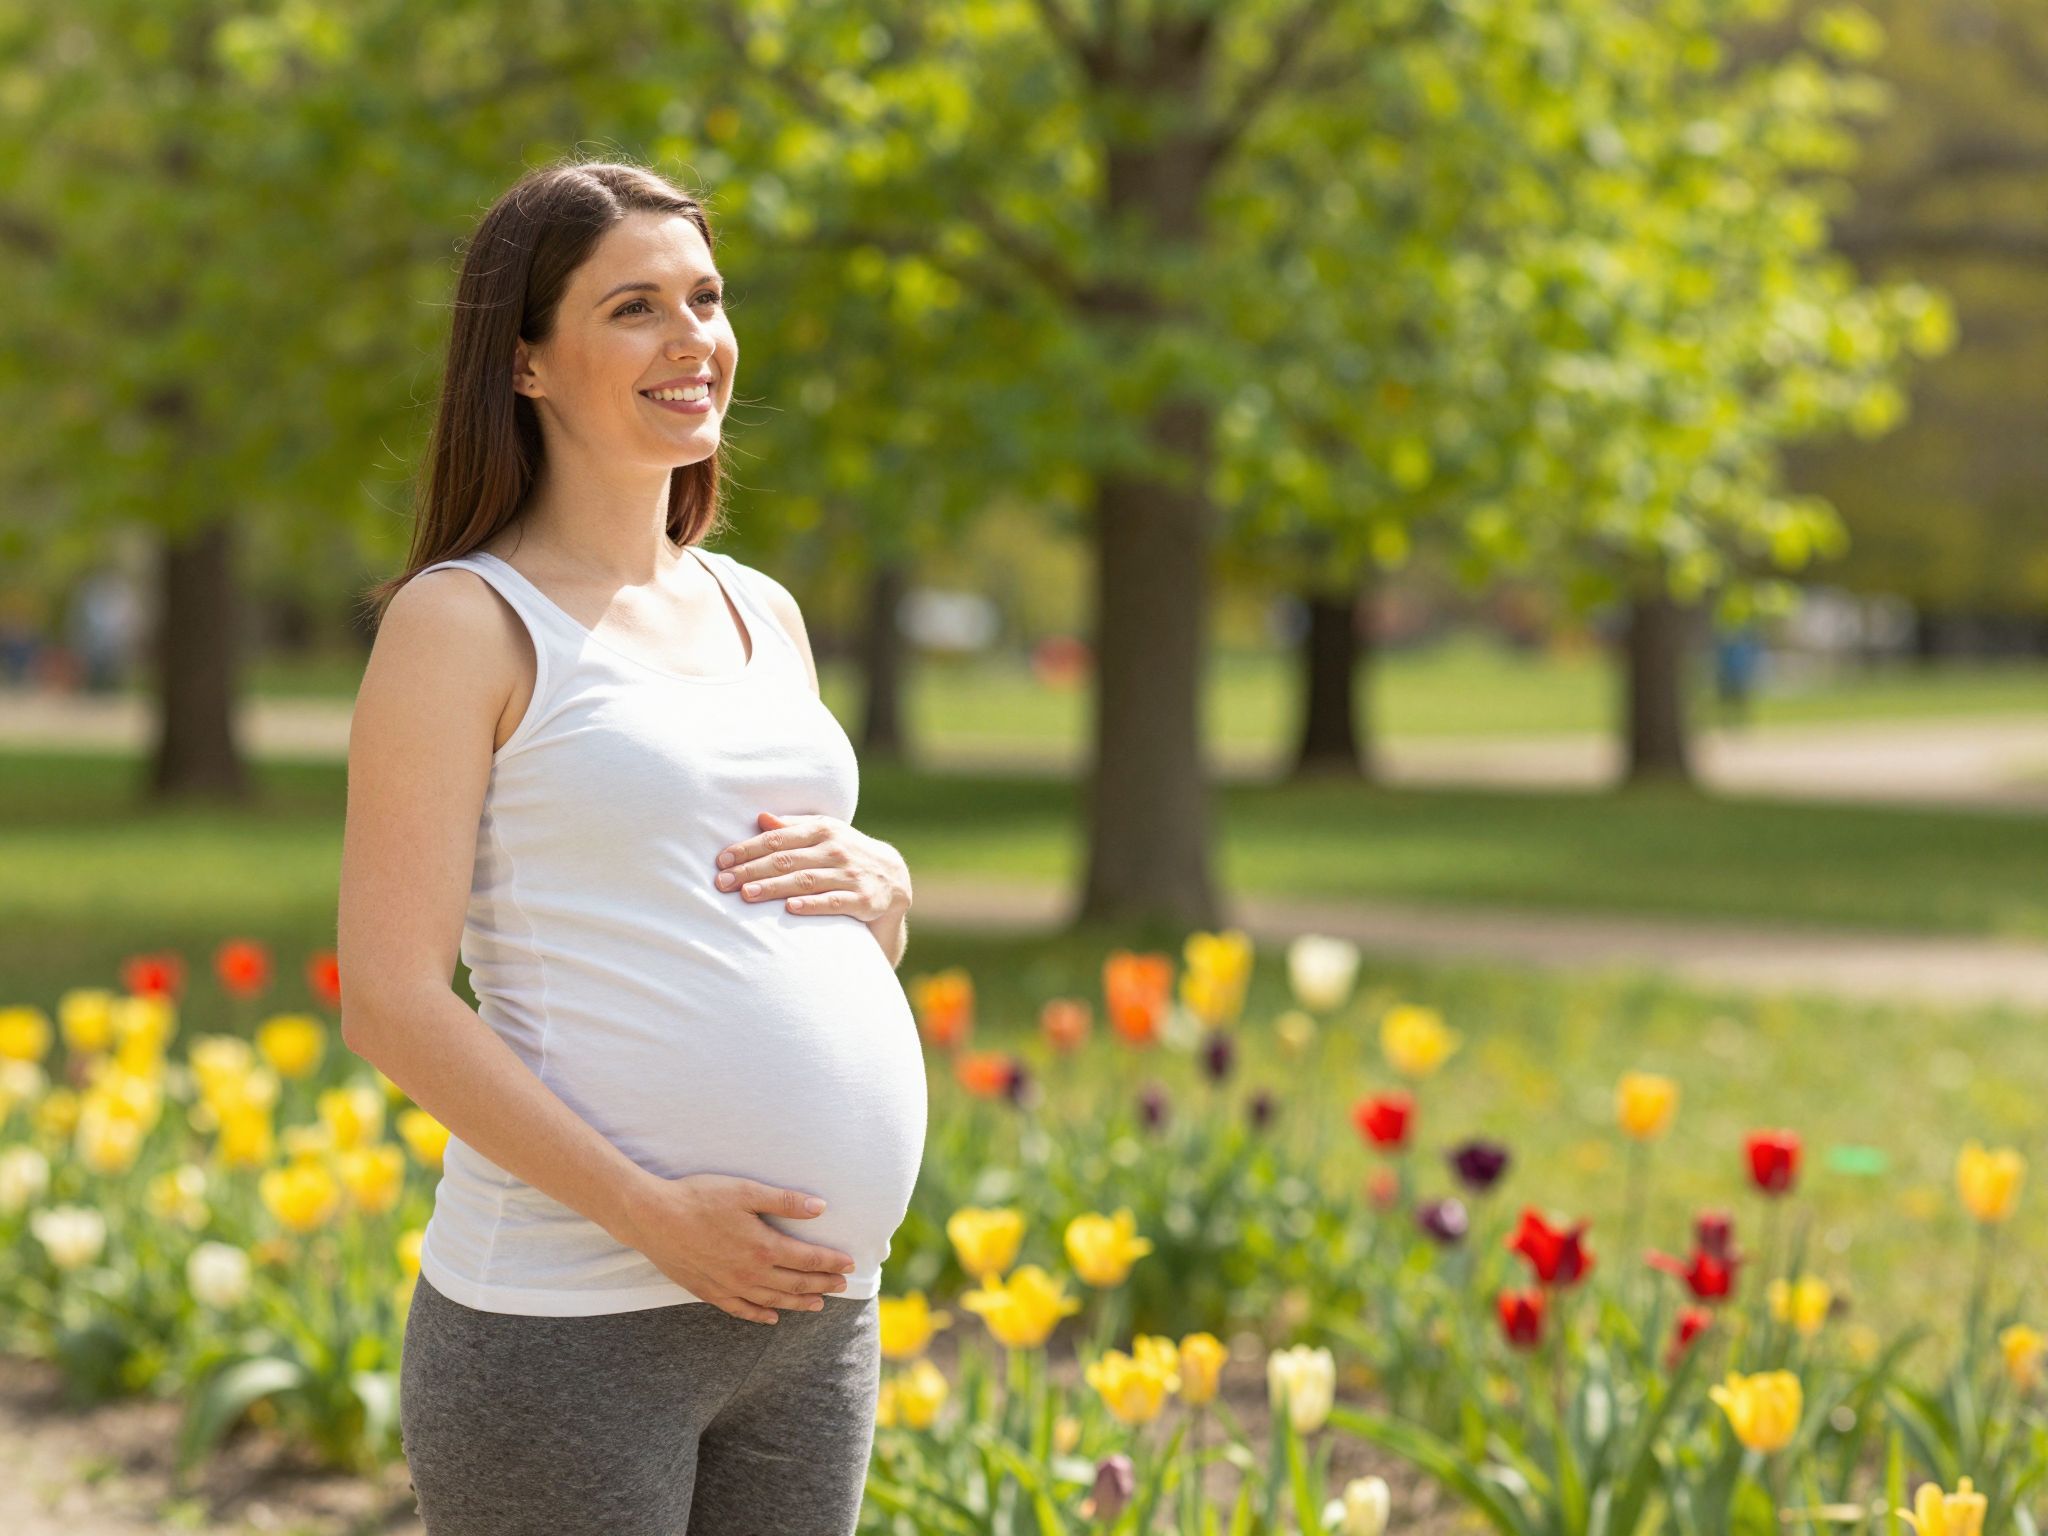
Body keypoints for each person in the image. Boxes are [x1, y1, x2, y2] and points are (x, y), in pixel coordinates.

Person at [337, 158, 927, 1535]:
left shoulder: (761, 610)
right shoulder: (462, 625)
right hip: (573, 1318)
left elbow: (754, 902)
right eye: (635, 308)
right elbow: (391, 999)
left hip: (810, 1320)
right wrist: (649, 1212)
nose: (693, 339)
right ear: (528, 361)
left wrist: (889, 890)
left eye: (708, 299)